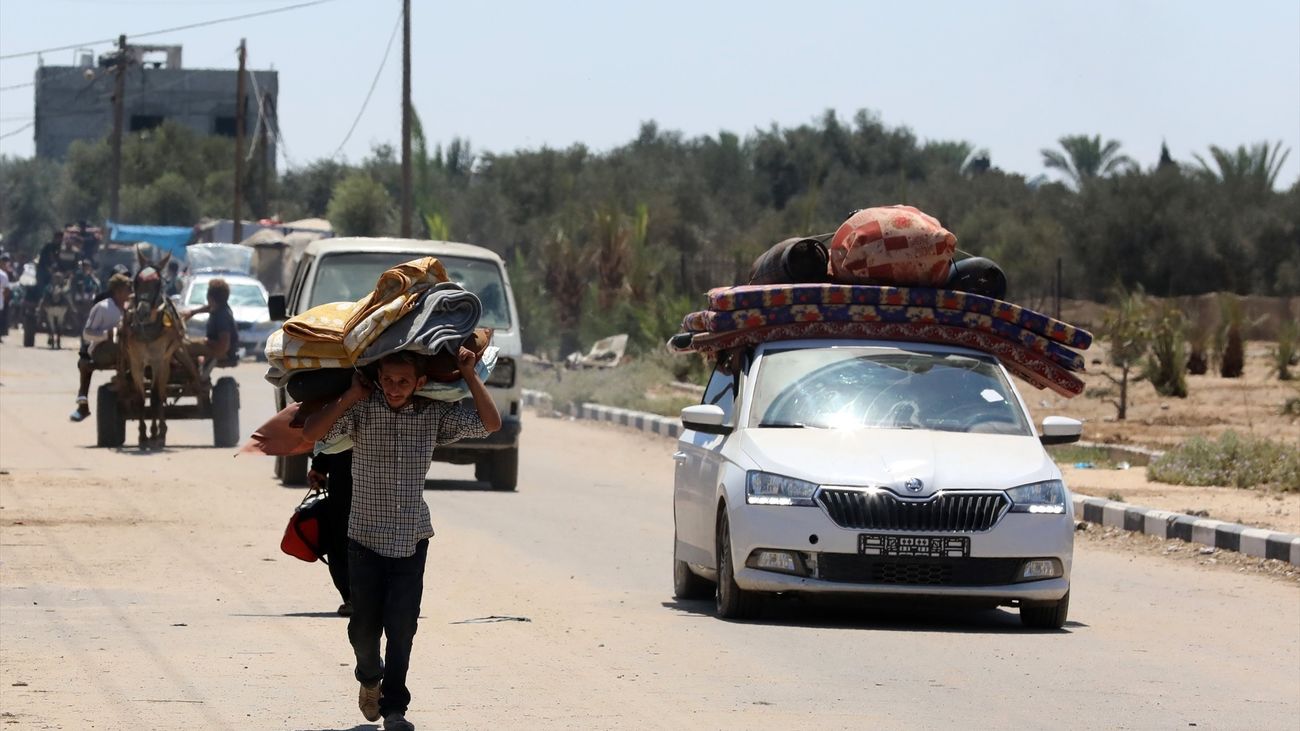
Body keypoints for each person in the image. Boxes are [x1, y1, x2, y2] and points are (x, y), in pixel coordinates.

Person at [301, 348, 502, 731]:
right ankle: (368, 676)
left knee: (402, 627)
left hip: (411, 539)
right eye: (389, 380)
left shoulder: (433, 415)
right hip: (364, 538)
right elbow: (313, 433)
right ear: (378, 377)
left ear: (420, 383)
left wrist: (469, 374)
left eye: (404, 381)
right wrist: (351, 396)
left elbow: (490, 424)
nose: (395, 388)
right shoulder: (361, 411)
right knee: (363, 628)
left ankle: (395, 708)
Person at [71, 273, 132, 422]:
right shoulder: (103, 307)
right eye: (126, 290)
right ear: (117, 291)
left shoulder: (129, 309)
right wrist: (107, 334)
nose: (129, 293)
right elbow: (87, 333)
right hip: (102, 350)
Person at [308, 449, 355, 617]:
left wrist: (319, 466)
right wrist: (319, 466)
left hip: (345, 478)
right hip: (348, 480)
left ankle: (354, 597)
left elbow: (329, 430)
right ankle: (356, 597)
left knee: (340, 539)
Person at [182, 278, 240, 375]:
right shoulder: (220, 307)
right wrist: (192, 313)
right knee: (187, 344)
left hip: (222, 350)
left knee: (182, 348)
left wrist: (206, 343)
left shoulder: (222, 316)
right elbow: (209, 307)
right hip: (216, 345)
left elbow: (223, 346)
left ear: (210, 297)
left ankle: (195, 377)